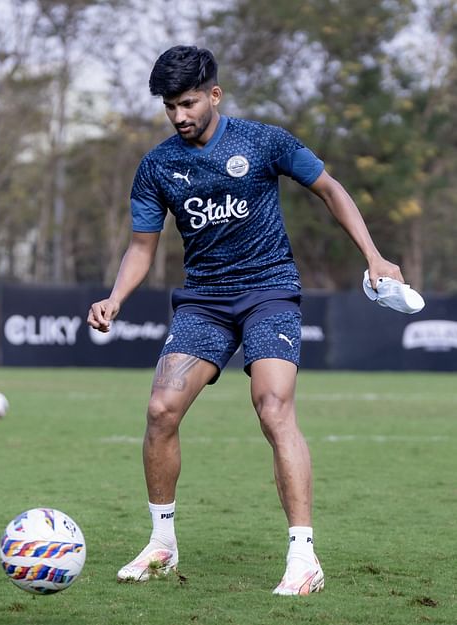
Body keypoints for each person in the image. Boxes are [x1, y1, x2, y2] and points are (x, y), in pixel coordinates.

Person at [87, 45, 403, 595]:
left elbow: (331, 189)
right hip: (204, 303)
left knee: (273, 406)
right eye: (169, 107)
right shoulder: (158, 165)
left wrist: (374, 256)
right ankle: (162, 544)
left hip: (269, 294)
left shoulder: (264, 141)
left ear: (214, 94)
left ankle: (303, 556)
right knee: (161, 409)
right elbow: (142, 246)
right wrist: (115, 297)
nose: (179, 115)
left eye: (188, 102)